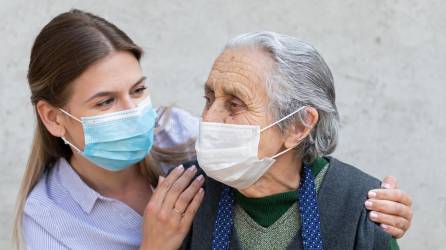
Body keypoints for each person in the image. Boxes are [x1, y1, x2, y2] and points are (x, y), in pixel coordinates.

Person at [13, 10, 411, 250]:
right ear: (53, 117)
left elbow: (286, 157)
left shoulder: (182, 135)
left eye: (138, 90)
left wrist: (372, 208)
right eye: (104, 102)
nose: (211, 122)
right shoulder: (48, 220)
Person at [181, 31, 411, 249]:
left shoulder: (360, 208)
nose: (208, 118)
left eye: (234, 105)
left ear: (297, 126)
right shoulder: (185, 195)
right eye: (209, 99)